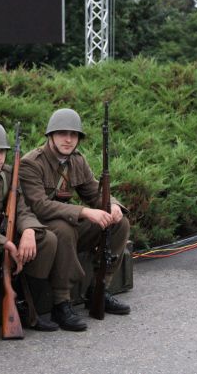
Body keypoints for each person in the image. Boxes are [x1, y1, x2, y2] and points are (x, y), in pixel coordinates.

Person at [19, 108, 131, 332]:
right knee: (64, 228)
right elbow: (39, 205)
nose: (68, 139)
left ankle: (100, 288)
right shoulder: (32, 163)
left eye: (74, 135)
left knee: (119, 223)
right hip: (41, 228)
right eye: (62, 133)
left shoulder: (77, 160)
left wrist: (114, 205)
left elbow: (93, 192)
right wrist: (84, 212)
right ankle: (61, 302)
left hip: (66, 222)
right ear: (50, 135)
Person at [0, 121, 59, 347]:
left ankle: (29, 310)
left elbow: (22, 208)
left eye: (2, 152)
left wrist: (29, 231)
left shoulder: (8, 174)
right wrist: (3, 241)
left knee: (47, 239)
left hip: (4, 234)